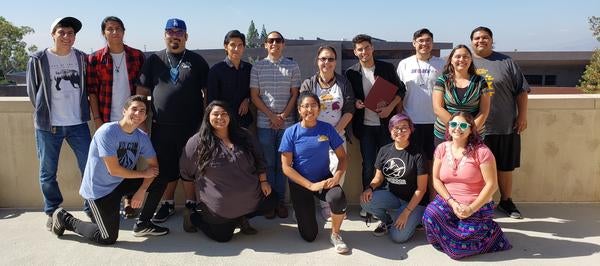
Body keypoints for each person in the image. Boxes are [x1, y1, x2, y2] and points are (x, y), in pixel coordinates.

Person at [50, 95, 163, 244]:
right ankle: (64, 218)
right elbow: (114, 170)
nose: (137, 113)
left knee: (160, 179)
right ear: (124, 111)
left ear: (145, 116)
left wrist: (141, 190)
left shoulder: (141, 137)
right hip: (99, 191)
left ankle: (143, 224)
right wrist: (143, 174)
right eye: (134, 109)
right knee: (107, 237)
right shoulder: (107, 132)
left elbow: (154, 167)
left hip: (120, 183)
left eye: (142, 111)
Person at [136, 18, 209, 233]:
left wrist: (206, 124)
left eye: (179, 33)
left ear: (186, 36)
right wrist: (141, 124)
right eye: (170, 32)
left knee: (190, 166)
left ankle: (191, 204)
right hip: (161, 126)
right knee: (164, 169)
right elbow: (142, 93)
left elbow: (207, 94)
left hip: (191, 126)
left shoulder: (197, 61)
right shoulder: (154, 60)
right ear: (165, 35)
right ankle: (166, 204)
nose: (174, 36)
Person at [26, 17, 92, 230]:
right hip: (48, 126)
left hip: (78, 123)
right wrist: (44, 114)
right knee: (47, 171)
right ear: (53, 34)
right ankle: (52, 211)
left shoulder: (82, 58)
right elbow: (32, 92)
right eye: (62, 32)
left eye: (71, 33)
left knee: (90, 167)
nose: (66, 37)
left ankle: (92, 207)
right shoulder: (38, 59)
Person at [179, 101, 278, 242]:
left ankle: (240, 216)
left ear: (230, 116)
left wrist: (263, 181)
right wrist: (191, 202)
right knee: (223, 237)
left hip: (249, 196)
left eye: (224, 113)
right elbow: (186, 173)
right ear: (207, 117)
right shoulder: (197, 142)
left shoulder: (244, 135)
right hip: (218, 205)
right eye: (216, 114)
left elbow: (259, 160)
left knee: (272, 200)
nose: (220, 117)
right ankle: (194, 218)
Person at [422, 112, 511, 260]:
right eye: (454, 124)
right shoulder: (442, 148)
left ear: (471, 129)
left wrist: (471, 208)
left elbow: (492, 184)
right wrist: (452, 202)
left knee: (457, 252)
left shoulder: (482, 152)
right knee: (429, 216)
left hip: (476, 205)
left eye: (463, 125)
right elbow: (436, 180)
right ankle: (457, 236)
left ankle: (491, 234)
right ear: (448, 127)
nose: (457, 128)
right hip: (449, 201)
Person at [86, 16, 146, 219]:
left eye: (118, 28)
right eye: (109, 29)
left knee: (131, 156)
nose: (114, 32)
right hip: (106, 117)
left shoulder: (137, 56)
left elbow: (142, 88)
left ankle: (129, 200)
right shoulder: (94, 59)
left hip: (132, 117)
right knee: (108, 163)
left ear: (124, 31)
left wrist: (141, 117)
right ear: (104, 33)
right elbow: (92, 92)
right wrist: (97, 120)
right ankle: (109, 201)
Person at [470, 26, 530, 219]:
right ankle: (479, 205)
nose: (481, 41)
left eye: (485, 37)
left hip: (505, 125)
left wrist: (522, 116)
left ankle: (506, 201)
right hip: (476, 128)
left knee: (505, 166)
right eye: (477, 38)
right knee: (476, 169)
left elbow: (521, 91)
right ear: (472, 41)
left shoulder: (506, 61)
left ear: (492, 40)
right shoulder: (465, 61)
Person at [280, 92, 350, 254]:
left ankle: (336, 234)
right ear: (299, 110)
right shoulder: (291, 132)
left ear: (319, 109)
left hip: (323, 179)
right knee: (310, 235)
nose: (309, 109)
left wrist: (337, 176)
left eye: (313, 105)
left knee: (338, 197)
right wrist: (310, 185)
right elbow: (286, 167)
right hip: (300, 182)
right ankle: (302, 212)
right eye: (305, 106)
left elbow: (343, 158)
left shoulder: (326, 129)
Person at [345, 34, 406, 218]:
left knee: (389, 165)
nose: (364, 52)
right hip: (365, 127)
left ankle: (389, 203)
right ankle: (367, 202)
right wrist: (356, 103)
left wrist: (389, 108)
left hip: (386, 125)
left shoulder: (386, 68)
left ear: (372, 48)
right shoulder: (351, 72)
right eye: (359, 49)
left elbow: (401, 90)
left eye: (366, 47)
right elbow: (350, 97)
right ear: (355, 52)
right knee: (369, 165)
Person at [299, 45, 355, 221]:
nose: (327, 62)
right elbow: (303, 109)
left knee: (338, 167)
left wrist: (334, 132)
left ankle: (334, 204)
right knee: (316, 170)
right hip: (313, 135)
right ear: (317, 61)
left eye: (330, 59)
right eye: (323, 58)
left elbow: (349, 109)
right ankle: (324, 205)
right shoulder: (309, 83)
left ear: (335, 62)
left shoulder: (343, 83)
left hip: (337, 134)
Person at [250, 31, 301, 219]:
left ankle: (280, 202)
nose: (274, 44)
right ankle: (269, 202)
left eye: (278, 41)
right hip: (264, 123)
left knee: (283, 165)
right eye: (270, 41)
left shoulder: (293, 66)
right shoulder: (257, 68)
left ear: (283, 44)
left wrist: (282, 116)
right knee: (268, 163)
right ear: (265, 45)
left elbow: (295, 94)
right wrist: (272, 116)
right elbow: (255, 96)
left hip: (287, 125)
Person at [360, 114, 428, 243]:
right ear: (390, 130)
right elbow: (378, 179)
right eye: (396, 128)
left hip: (414, 203)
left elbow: (422, 189)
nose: (399, 131)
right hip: (394, 198)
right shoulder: (384, 150)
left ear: (410, 130)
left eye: (404, 128)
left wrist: (406, 213)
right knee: (365, 201)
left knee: (398, 237)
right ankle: (388, 221)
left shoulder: (418, 154)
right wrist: (369, 188)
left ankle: (414, 219)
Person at [396, 28, 445, 199]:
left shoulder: (442, 64)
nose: (424, 44)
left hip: (436, 123)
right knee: (413, 164)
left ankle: (432, 203)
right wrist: (400, 119)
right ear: (414, 43)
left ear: (432, 43)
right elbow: (399, 93)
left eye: (428, 40)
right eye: (421, 40)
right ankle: (413, 201)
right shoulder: (404, 64)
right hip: (411, 122)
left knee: (434, 165)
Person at [432, 44, 490, 147]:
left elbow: (484, 111)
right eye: (458, 56)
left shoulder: (480, 81)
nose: (462, 59)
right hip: (444, 134)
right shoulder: (442, 80)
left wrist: (469, 130)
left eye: (466, 56)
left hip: (474, 133)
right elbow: (437, 108)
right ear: (451, 60)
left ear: (471, 60)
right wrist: (456, 128)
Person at [207, 30, 253, 128]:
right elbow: (211, 101)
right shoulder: (216, 71)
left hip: (243, 122)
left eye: (240, 45)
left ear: (244, 47)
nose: (236, 48)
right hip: (223, 124)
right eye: (232, 45)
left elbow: (254, 90)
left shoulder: (249, 69)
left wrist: (247, 100)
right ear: (226, 46)